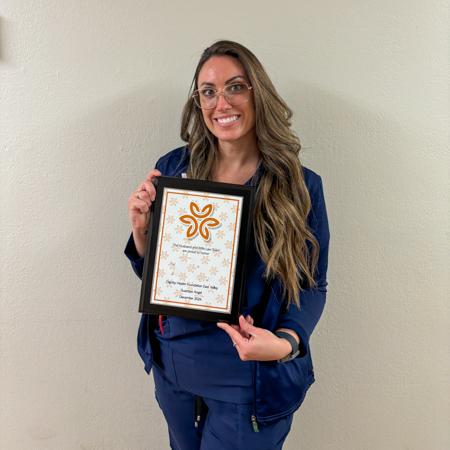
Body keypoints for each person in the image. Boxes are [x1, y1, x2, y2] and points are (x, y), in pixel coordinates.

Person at [124, 40, 330, 450]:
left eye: (236, 86)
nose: (222, 102)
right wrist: (141, 229)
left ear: (258, 93)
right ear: (198, 102)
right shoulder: (174, 169)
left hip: (246, 374)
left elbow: (313, 285)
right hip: (173, 367)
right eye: (209, 91)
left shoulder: (300, 187)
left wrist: (286, 341)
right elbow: (154, 273)